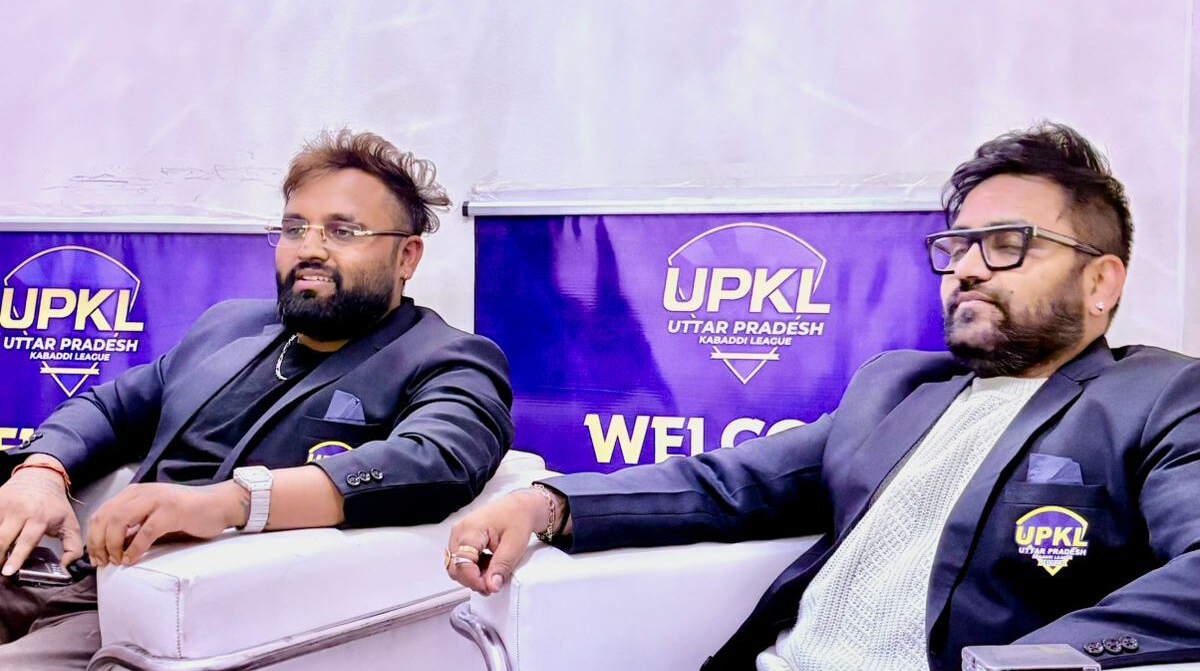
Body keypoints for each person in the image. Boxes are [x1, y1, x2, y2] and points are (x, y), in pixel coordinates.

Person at [448, 123, 1200, 670]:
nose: (967, 268)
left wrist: (1031, 665)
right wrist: (545, 504)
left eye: (1007, 244)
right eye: (956, 245)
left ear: (1101, 282)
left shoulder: (1158, 397)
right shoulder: (898, 389)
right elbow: (725, 484)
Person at [0, 129, 514, 668]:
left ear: (407, 256)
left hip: (167, 613)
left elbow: (433, 461)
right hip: (68, 569)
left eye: (343, 231)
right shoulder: (229, 326)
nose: (310, 249)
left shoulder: (447, 358)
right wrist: (41, 472)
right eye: (295, 228)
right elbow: (110, 408)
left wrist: (228, 503)